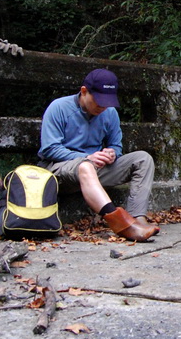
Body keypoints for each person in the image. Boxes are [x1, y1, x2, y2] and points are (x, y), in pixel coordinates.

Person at [38, 68, 159, 242]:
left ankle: (137, 219)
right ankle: (121, 223)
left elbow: (116, 146)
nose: (102, 106)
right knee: (85, 166)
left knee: (143, 158)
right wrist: (86, 158)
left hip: (94, 171)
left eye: (107, 102)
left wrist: (111, 154)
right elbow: (50, 149)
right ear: (84, 91)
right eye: (99, 101)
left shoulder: (109, 113)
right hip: (59, 171)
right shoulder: (59, 108)